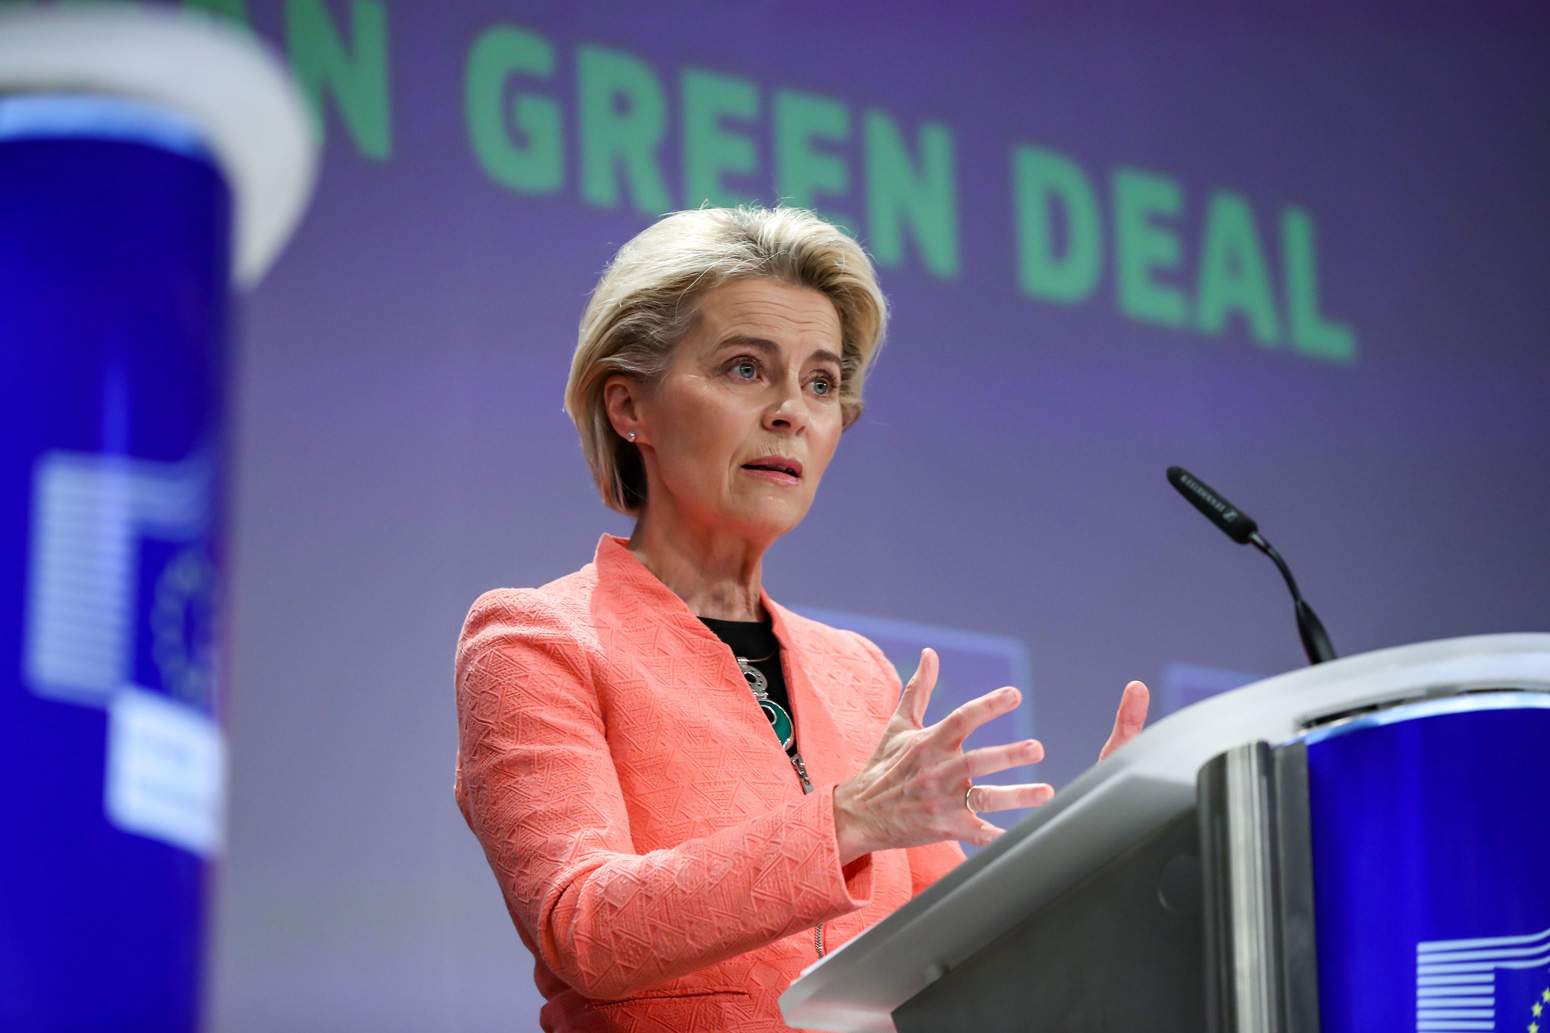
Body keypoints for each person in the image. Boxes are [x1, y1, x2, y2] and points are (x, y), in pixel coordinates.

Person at [453, 206, 1150, 1033]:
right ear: (627, 406)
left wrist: (1094, 861)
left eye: (820, 382)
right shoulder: (536, 641)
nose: (792, 410)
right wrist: (848, 820)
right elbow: (586, 927)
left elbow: (957, 961)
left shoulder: (858, 673)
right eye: (746, 368)